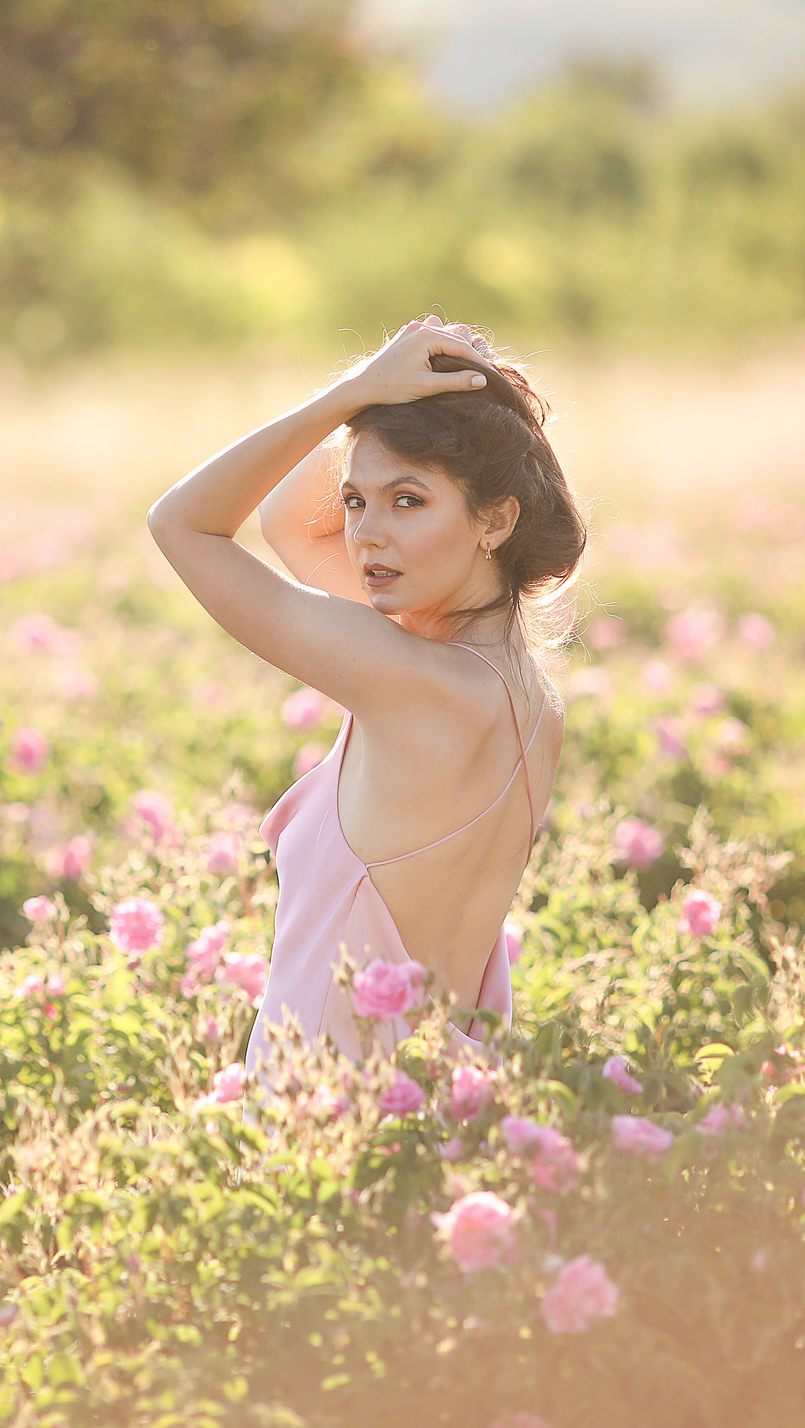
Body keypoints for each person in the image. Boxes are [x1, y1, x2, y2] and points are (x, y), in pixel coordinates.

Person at [146, 318, 585, 1076]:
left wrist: (358, 391)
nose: (367, 535)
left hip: (323, 1134)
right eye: (355, 501)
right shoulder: (530, 701)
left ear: (496, 519)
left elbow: (182, 523)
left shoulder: (406, 680)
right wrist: (394, 397)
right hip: (438, 1127)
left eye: (408, 501)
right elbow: (290, 521)